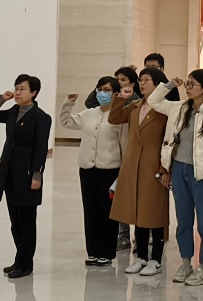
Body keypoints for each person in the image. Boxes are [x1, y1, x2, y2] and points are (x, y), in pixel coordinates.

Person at [148, 70, 203, 286]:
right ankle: (186, 263)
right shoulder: (180, 108)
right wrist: (169, 85)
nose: (188, 87)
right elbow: (154, 101)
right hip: (179, 170)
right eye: (188, 83)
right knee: (183, 221)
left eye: (193, 84)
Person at [0, 74, 53, 280]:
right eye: (16, 88)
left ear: (34, 92)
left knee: (27, 222)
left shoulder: (41, 118)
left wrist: (37, 175)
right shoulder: (13, 111)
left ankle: (25, 264)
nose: (17, 92)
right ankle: (20, 259)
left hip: (28, 174)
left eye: (22, 89)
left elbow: (41, 149)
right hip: (10, 173)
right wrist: (1, 99)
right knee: (15, 222)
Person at [108, 67, 172, 277]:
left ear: (158, 84)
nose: (142, 84)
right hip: (133, 165)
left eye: (146, 80)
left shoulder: (165, 109)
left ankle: (156, 259)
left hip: (154, 165)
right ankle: (141, 256)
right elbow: (114, 118)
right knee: (139, 211)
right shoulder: (135, 106)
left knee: (155, 212)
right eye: (141, 80)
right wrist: (120, 98)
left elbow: (169, 140)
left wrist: (164, 168)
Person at [59, 77, 127, 266]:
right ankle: (93, 251)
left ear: (115, 94)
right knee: (90, 211)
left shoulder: (119, 118)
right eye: (99, 89)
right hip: (88, 170)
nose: (102, 93)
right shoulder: (88, 114)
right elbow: (65, 122)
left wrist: (122, 173)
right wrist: (68, 103)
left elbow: (125, 146)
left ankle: (107, 252)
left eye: (107, 90)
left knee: (107, 213)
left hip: (110, 170)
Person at [112, 65, 139, 251]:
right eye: (117, 79)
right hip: (117, 153)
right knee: (119, 196)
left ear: (132, 83)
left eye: (122, 80)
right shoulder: (116, 98)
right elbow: (90, 102)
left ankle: (140, 236)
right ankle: (123, 235)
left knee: (136, 197)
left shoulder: (136, 102)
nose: (119, 83)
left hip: (133, 154)